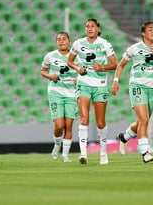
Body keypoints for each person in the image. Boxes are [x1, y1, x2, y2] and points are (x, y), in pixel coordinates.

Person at [112, 22, 153, 163]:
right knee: (144, 120)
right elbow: (121, 64)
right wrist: (116, 80)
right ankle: (145, 152)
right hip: (137, 86)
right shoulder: (134, 49)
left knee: (142, 121)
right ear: (143, 33)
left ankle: (124, 137)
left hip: (152, 89)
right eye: (150, 29)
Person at [67, 18, 117, 165]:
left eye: (93, 26)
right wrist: (77, 68)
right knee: (84, 119)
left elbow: (115, 64)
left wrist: (101, 67)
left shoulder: (104, 43)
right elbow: (69, 61)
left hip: (100, 85)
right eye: (87, 26)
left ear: (98, 29)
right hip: (83, 84)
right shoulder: (78, 43)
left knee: (100, 122)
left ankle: (103, 153)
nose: (89, 28)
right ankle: (83, 153)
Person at [40, 32, 78, 163]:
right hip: (55, 92)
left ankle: (66, 155)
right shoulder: (50, 56)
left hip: (72, 94)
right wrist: (51, 76)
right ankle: (57, 144)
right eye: (58, 39)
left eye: (64, 39)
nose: (61, 41)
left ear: (69, 41)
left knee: (69, 125)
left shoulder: (76, 57)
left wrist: (78, 80)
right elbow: (43, 71)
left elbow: (84, 72)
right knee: (59, 125)